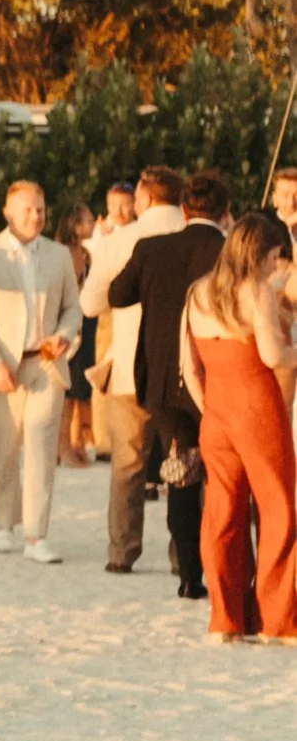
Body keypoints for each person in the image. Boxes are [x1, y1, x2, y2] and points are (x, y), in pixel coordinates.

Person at [102, 169, 226, 596]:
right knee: (220, 476)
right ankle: (213, 563)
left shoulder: (152, 247)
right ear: (225, 211)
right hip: (214, 380)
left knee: (181, 472)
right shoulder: (227, 251)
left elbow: (117, 295)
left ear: (186, 208)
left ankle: (188, 572)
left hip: (163, 383)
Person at [181, 211, 297, 641]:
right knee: (277, 509)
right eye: (274, 256)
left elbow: (188, 368)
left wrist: (212, 407)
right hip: (257, 405)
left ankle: (226, 619)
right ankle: (277, 620)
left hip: (216, 411)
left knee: (222, 514)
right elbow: (272, 356)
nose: (275, 265)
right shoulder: (256, 291)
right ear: (261, 253)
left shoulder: (197, 292)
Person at [0, 178, 82, 563]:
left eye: (41, 209)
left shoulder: (60, 255)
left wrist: (63, 335)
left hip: (46, 364)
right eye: (28, 209)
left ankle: (36, 535)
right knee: (3, 448)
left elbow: (73, 307)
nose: (36, 216)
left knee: (42, 446)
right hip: (2, 365)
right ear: (8, 212)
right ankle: (4, 524)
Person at [80, 180, 142, 464]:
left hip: (136, 309)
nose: (119, 210)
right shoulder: (97, 238)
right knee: (104, 373)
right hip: (106, 311)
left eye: (125, 203)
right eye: (113, 204)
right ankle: (104, 441)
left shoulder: (142, 234)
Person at [55, 202, 98, 464]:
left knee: (82, 390)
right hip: (69, 322)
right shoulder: (62, 253)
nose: (93, 225)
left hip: (88, 322)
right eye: (88, 220)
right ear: (75, 224)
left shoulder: (88, 253)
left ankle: (77, 444)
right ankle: (63, 447)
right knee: (67, 391)